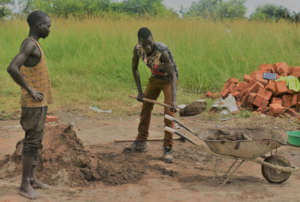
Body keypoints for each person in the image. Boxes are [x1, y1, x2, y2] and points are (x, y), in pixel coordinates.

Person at [7, 10, 52, 200]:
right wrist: (30, 89)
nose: (49, 29)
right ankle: (24, 184)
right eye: (46, 26)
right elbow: (12, 67)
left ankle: (32, 179)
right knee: (31, 142)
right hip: (32, 104)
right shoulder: (29, 45)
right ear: (36, 26)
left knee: (37, 142)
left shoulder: (36, 45)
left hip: (40, 104)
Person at [124, 27, 178, 163]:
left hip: (168, 81)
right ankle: (141, 141)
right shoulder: (137, 49)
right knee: (145, 108)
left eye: (149, 42)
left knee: (168, 114)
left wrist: (173, 101)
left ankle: (168, 148)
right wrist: (140, 92)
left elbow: (172, 75)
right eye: (144, 44)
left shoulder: (162, 50)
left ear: (152, 39)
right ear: (139, 42)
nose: (148, 46)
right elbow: (134, 68)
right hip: (155, 79)